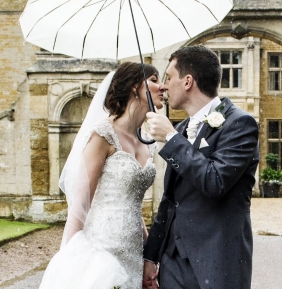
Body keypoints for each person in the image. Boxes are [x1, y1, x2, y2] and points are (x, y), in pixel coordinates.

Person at [39, 62, 165, 289]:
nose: (162, 87)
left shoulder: (149, 141)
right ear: (135, 87)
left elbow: (131, 203)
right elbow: (79, 206)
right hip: (101, 250)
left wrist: (149, 254)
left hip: (133, 250)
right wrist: (69, 263)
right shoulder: (103, 134)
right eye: (154, 80)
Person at [143, 44, 259, 289]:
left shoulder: (240, 124)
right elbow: (170, 200)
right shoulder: (183, 128)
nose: (163, 86)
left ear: (187, 81)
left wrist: (173, 140)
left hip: (217, 263)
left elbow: (215, 182)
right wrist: (151, 256)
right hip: (173, 263)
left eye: (168, 78)